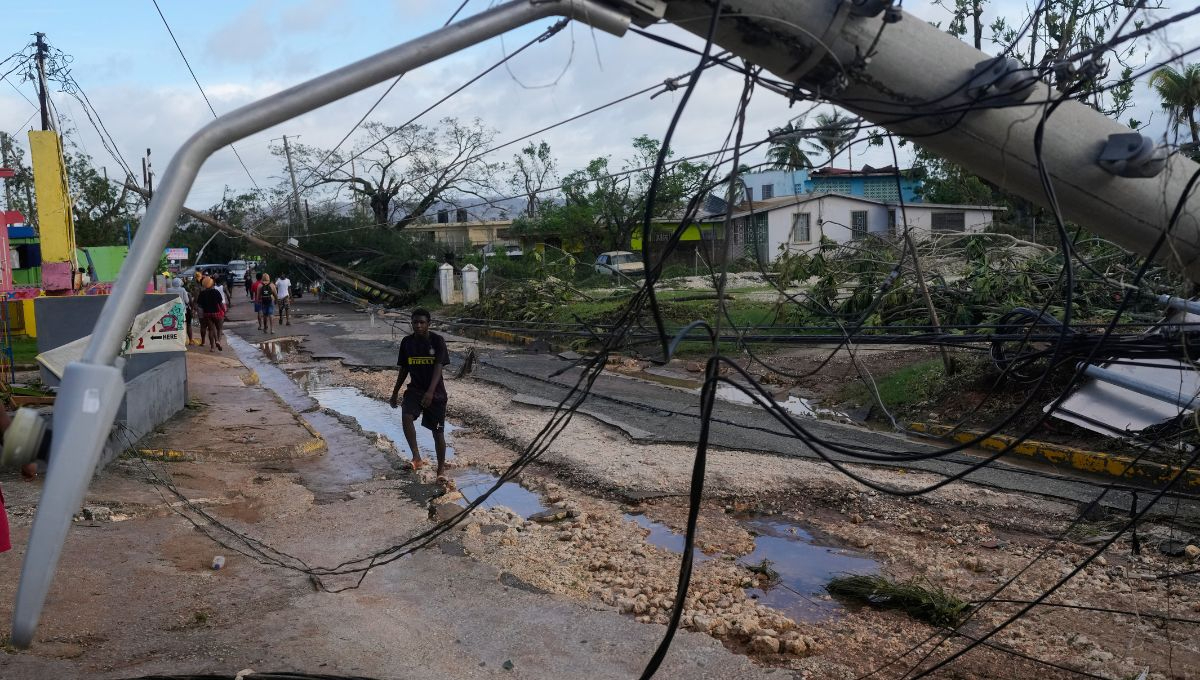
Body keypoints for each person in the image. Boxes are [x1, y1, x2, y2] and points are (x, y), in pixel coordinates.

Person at [390, 308, 450, 483]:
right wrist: (395, 392)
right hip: (415, 390)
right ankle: (416, 457)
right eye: (415, 322)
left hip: (436, 392)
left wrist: (430, 392)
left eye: (422, 322)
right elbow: (404, 368)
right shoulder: (407, 342)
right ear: (412, 323)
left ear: (428, 324)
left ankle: (440, 470)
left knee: (438, 432)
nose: (418, 325)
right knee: (406, 416)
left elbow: (438, 368)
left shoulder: (437, 341)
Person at [196, 276, 225, 352]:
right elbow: (221, 303)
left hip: (207, 314)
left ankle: (212, 347)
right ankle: (218, 341)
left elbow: (199, 305)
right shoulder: (216, 292)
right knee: (219, 328)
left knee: (211, 330)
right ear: (212, 284)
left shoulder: (202, 293)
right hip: (216, 313)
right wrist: (224, 310)